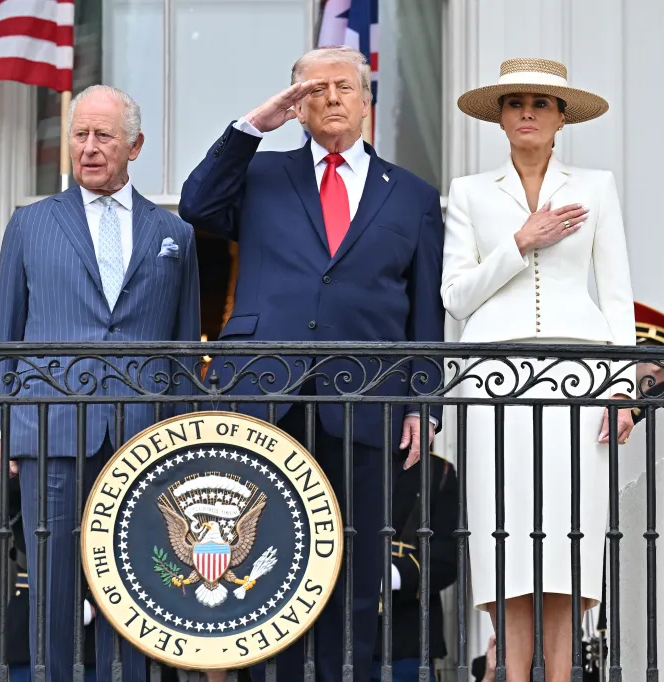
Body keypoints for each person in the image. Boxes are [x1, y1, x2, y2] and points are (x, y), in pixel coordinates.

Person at [179, 45, 445, 682]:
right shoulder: (262, 175)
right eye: (315, 89)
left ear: (366, 102)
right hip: (268, 395)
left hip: (366, 401)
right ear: (295, 105)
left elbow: (425, 315)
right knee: (262, 569)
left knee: (351, 574)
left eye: (345, 87)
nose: (331, 98)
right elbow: (196, 203)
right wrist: (252, 128)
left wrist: (422, 405)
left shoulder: (412, 195)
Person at [0, 84, 200, 682]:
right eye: (80, 135)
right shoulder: (30, 225)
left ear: (135, 144)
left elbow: (183, 348)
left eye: (103, 135)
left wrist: (182, 438)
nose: (89, 147)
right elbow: (2, 334)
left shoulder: (173, 235)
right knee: (51, 588)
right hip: (48, 430)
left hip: (144, 439)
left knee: (134, 590)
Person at [442, 59, 636, 682]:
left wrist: (623, 388)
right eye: (515, 101)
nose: (527, 111)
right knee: (505, 540)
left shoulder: (596, 187)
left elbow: (616, 296)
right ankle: (510, 672)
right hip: (493, 378)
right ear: (499, 117)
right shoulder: (471, 192)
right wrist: (521, 241)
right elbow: (456, 295)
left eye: (541, 102)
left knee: (567, 539)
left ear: (560, 119)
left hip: (579, 379)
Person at [371, 453, 459, 682]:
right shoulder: (338, 460)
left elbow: (449, 555)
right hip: (340, 634)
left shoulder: (438, 471)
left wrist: (393, 576)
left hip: (407, 638)